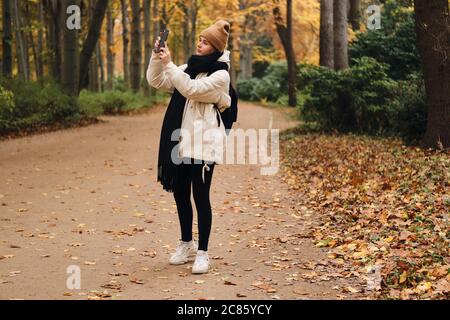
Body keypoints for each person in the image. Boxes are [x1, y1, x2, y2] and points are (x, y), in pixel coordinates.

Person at [147, 20, 232, 274]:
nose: (199, 43)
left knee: (201, 196)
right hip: (180, 141)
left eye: (205, 41)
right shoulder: (189, 67)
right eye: (200, 39)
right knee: (180, 193)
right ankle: (187, 243)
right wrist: (156, 56)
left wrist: (171, 65)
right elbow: (156, 81)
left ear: (215, 47)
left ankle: (203, 253)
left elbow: (191, 89)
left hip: (204, 143)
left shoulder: (221, 75)